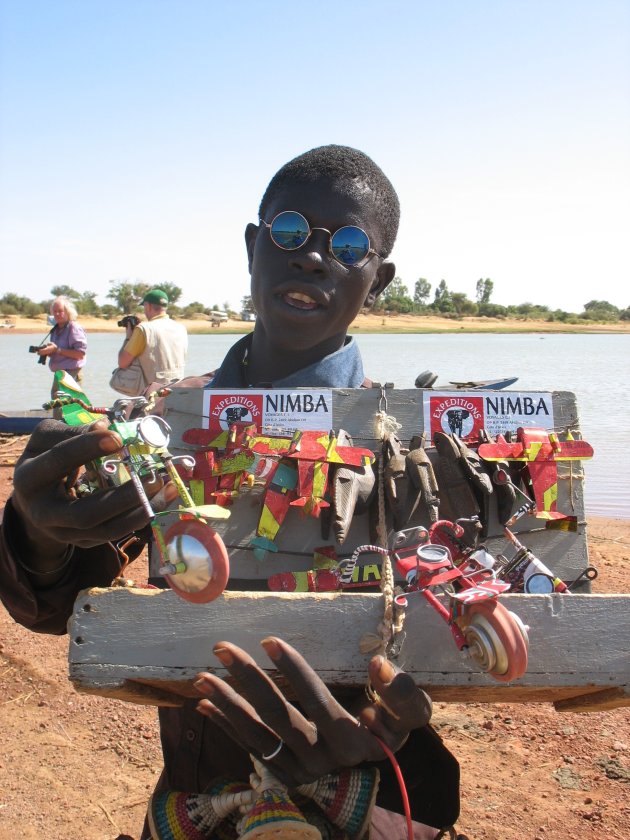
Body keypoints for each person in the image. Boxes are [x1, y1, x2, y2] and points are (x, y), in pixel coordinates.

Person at [0, 145, 460, 840]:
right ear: (254, 246)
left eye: (349, 244)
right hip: (194, 811)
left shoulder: (417, 450)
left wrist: (380, 746)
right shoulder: (165, 431)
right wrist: (38, 531)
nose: (311, 257)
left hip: (370, 804)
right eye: (289, 233)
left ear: (381, 278)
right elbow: (55, 607)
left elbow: (473, 634)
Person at [117, 288, 188, 388]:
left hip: (153, 395)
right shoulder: (181, 328)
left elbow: (123, 363)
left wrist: (128, 337)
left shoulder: (144, 329)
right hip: (177, 391)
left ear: (148, 305)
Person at [36, 295, 87, 396]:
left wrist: (56, 350)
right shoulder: (56, 329)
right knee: (57, 405)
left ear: (68, 311)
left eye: (60, 311)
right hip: (60, 374)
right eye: (54, 312)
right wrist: (47, 351)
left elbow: (80, 354)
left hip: (72, 373)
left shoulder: (74, 328)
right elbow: (57, 352)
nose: (57, 314)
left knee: (69, 407)